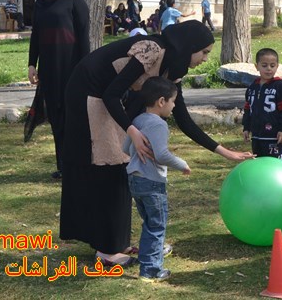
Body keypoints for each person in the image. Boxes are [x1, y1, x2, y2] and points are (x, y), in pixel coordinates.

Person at [59, 20, 253, 266]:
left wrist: (225, 152)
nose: (205, 58)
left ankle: (117, 242)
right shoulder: (151, 49)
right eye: (204, 52)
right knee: (108, 166)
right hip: (88, 92)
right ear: (190, 45)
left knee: (122, 167)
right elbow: (111, 93)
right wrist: (132, 131)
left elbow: (183, 120)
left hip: (107, 97)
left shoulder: (172, 69)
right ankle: (106, 251)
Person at [124, 77, 190, 282]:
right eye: (173, 101)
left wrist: (139, 151)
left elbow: (125, 148)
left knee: (149, 224)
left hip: (134, 180)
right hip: (152, 182)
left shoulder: (137, 121)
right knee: (156, 225)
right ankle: (151, 270)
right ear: (161, 101)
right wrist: (182, 164)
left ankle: (147, 263)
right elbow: (161, 155)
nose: (174, 105)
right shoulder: (159, 125)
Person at [28, 0, 90, 179]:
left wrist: (85, 67)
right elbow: (36, 36)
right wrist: (31, 64)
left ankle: (79, 165)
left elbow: (83, 36)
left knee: (72, 117)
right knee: (56, 117)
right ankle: (63, 166)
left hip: (72, 67)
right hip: (49, 69)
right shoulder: (40, 3)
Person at [242, 48, 282, 161]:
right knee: (259, 164)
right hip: (257, 136)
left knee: (275, 164)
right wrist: (246, 127)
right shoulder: (252, 88)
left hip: (274, 136)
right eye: (264, 65)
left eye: (272, 65)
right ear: (257, 67)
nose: (269, 69)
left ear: (277, 66)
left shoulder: (281, 86)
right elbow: (248, 109)